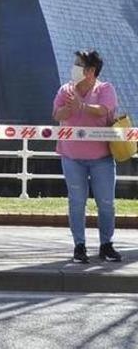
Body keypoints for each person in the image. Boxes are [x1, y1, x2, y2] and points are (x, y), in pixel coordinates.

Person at [52, 50, 122, 263]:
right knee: (76, 202)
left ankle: (106, 245)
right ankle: (79, 246)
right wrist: (68, 109)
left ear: (91, 70)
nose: (74, 67)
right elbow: (56, 114)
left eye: (78, 64)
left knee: (106, 202)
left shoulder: (105, 89)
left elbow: (103, 110)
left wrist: (81, 106)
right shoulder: (66, 90)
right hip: (71, 157)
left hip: (102, 158)